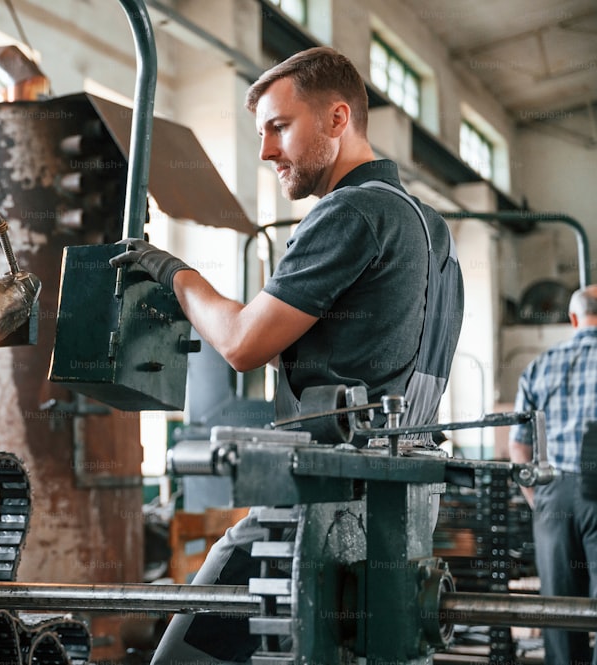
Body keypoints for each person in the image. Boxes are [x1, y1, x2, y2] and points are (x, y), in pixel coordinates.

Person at [110, 46, 464, 663]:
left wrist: (173, 273)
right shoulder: (429, 226)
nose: (267, 151)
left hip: (328, 501)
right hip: (404, 504)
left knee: (184, 656)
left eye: (279, 127)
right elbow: (377, 354)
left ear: (337, 118)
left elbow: (244, 343)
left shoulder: (351, 210)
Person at [510, 286, 597, 665]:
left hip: (553, 493)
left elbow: (519, 450)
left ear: (574, 319)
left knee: (560, 608)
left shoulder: (539, 366)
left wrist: (540, 501)